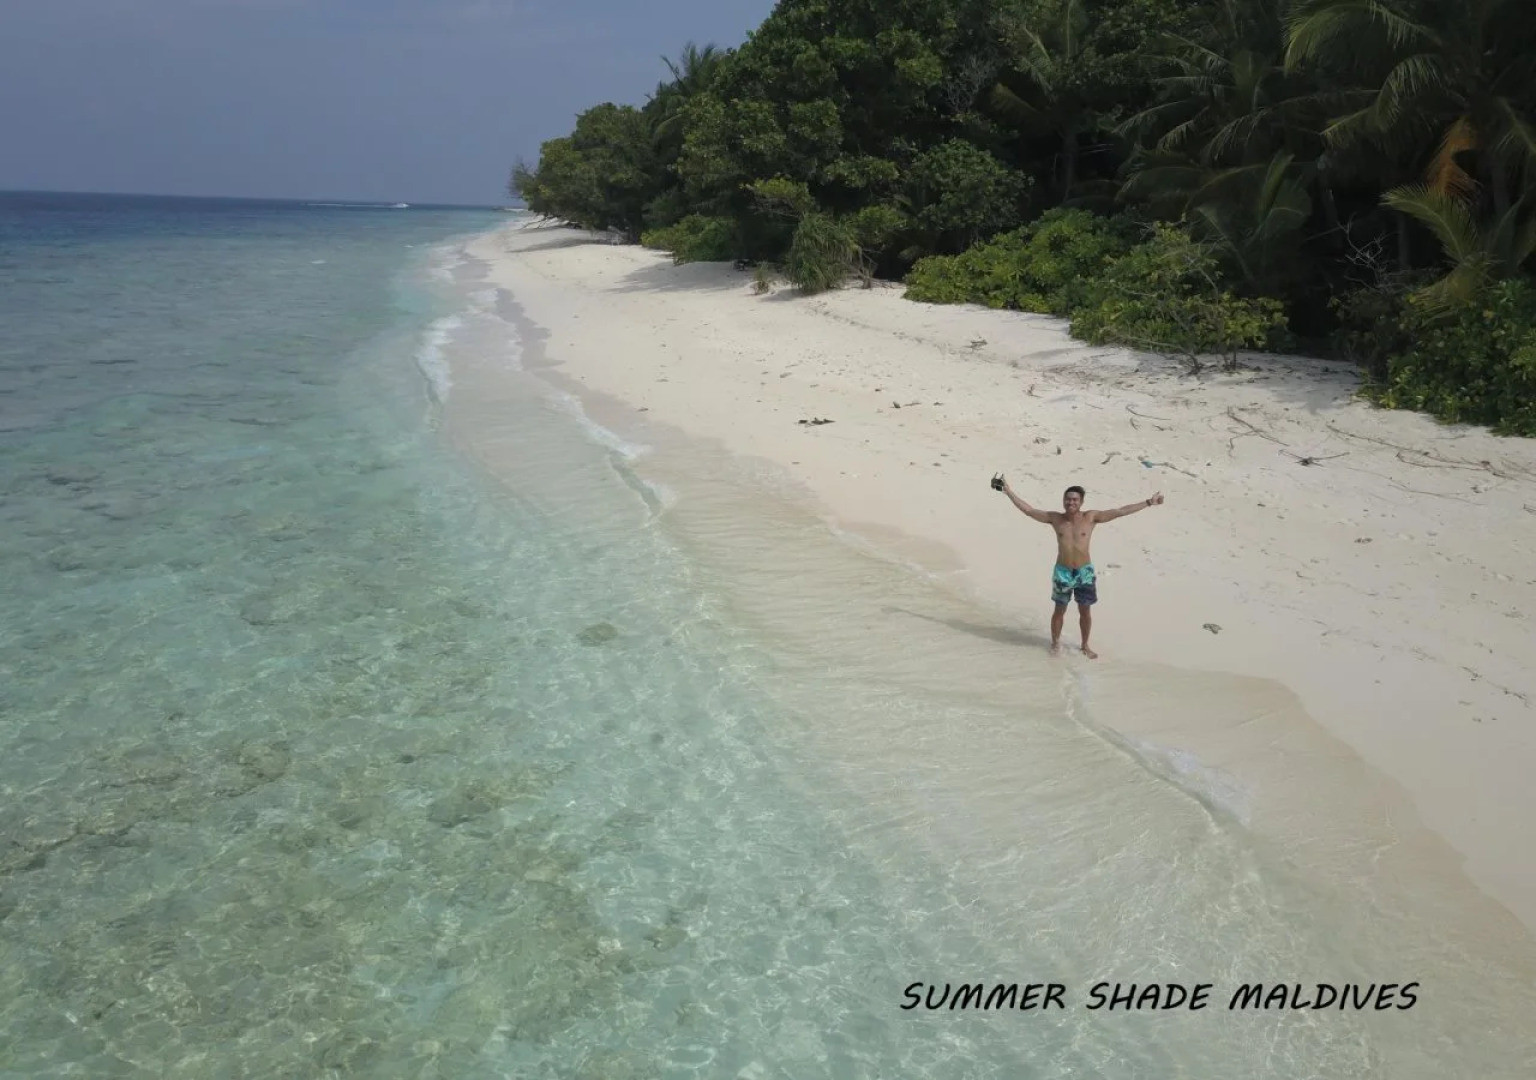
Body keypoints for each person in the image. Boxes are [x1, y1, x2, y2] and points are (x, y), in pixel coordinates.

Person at [995, 479, 1163, 658]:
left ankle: (1084, 645)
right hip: (1063, 572)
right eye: (1068, 499)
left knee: (1085, 611)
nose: (1071, 502)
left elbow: (1120, 511)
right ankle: (1055, 643)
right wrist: (1009, 491)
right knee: (1059, 610)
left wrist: (1148, 502)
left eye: (1075, 499)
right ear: (1063, 501)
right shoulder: (1056, 519)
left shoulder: (1090, 517)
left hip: (1084, 572)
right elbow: (1029, 511)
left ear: (1081, 502)